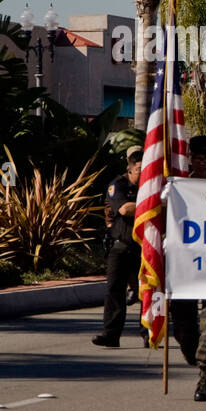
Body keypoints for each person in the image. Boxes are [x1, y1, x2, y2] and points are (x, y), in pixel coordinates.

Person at [170, 135, 206, 402]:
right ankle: (203, 361)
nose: (202, 162)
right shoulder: (177, 186)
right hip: (183, 269)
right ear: (190, 158)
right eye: (198, 158)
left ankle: (205, 376)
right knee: (183, 328)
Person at [93, 146, 144, 348]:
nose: (143, 173)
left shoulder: (151, 185)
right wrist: (151, 204)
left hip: (144, 248)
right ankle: (111, 335)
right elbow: (124, 209)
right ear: (130, 169)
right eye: (139, 169)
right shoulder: (118, 185)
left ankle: (149, 334)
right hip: (120, 246)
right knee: (114, 291)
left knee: (148, 292)